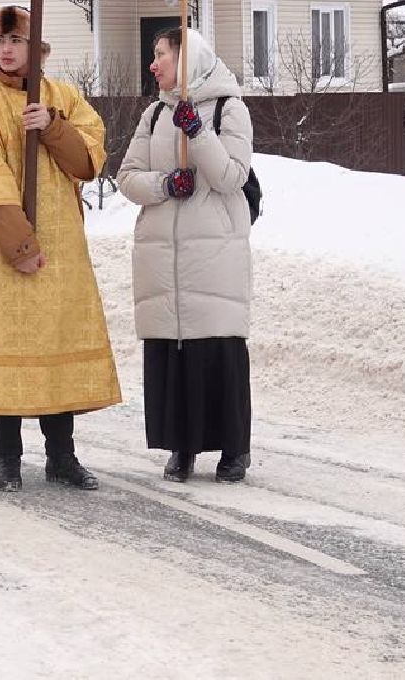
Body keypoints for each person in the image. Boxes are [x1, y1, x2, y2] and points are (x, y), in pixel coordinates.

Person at [0, 6, 120, 492]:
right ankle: (7, 457)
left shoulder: (64, 98)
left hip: (61, 249)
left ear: (35, 48)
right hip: (4, 252)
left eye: (16, 41)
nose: (6, 50)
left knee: (56, 344)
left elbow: (89, 161)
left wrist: (51, 125)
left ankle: (61, 456)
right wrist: (19, 244)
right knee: (6, 348)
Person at [116, 27, 255, 484]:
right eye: (153, 55)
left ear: (188, 59)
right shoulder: (155, 114)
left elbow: (231, 176)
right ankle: (182, 446)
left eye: (161, 55)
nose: (153, 64)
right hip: (164, 255)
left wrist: (197, 132)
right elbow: (128, 176)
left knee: (215, 349)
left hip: (212, 255)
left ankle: (233, 449)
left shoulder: (229, 109)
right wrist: (164, 185)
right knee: (173, 352)